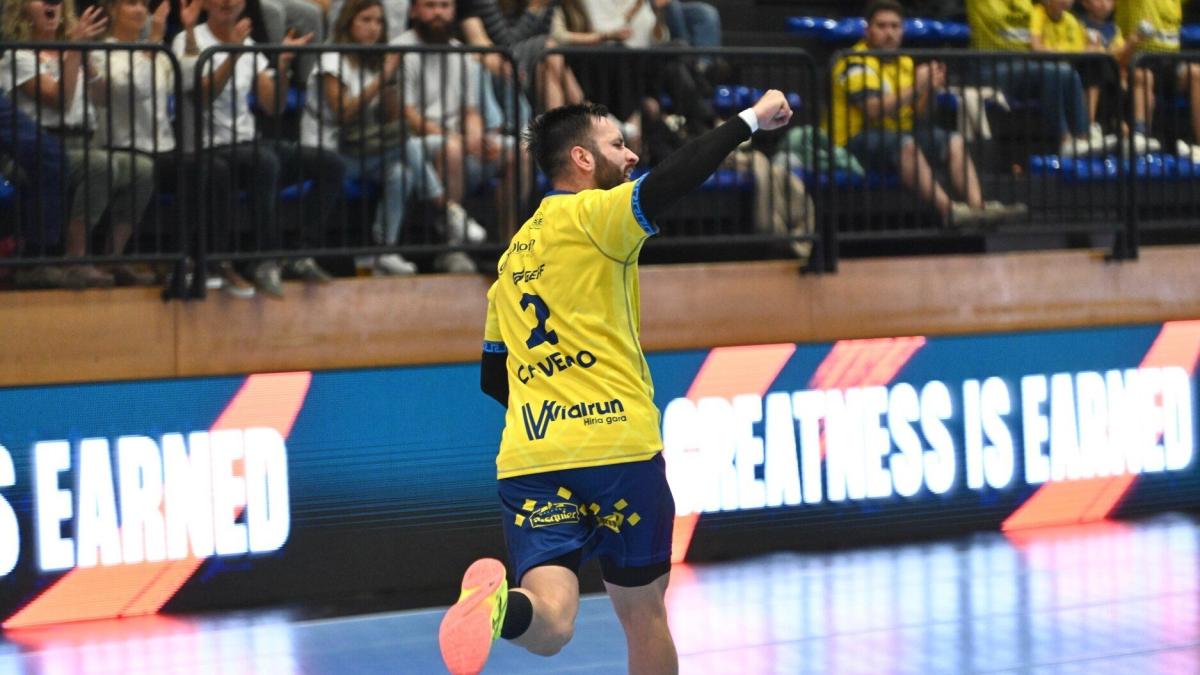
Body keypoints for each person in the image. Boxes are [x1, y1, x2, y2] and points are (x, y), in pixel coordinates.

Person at [436, 91, 794, 675]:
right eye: (618, 145)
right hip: (617, 451)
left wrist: (551, 404)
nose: (630, 158)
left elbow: (494, 377)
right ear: (580, 159)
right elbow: (672, 181)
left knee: (550, 624)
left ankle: (502, 611)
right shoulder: (596, 218)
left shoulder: (511, 260)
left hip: (531, 458)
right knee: (644, 614)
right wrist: (749, 121)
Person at [173, 0, 344, 297]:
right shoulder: (189, 39)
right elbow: (204, 96)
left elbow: (273, 106)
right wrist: (233, 54)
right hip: (208, 148)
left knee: (332, 164)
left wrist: (282, 65)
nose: (228, 2)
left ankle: (300, 253)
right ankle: (263, 259)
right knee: (266, 161)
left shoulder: (248, 42)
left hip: (248, 144)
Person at [304, 0, 482, 275]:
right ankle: (448, 210)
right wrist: (382, 77)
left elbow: (389, 117)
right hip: (328, 153)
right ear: (348, 23)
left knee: (402, 171)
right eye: (365, 20)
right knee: (406, 145)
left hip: (364, 149)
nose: (373, 28)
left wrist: (389, 82)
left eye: (378, 22)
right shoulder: (332, 57)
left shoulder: (375, 61)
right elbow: (343, 112)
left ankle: (383, 250)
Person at [832, 0, 1023, 225]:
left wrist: (929, 89)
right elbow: (873, 110)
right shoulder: (854, 61)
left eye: (895, 26)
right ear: (868, 30)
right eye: (881, 26)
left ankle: (978, 207)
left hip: (895, 135)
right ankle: (950, 210)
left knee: (953, 141)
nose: (889, 33)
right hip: (852, 141)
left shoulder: (904, 62)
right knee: (905, 145)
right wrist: (916, 86)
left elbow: (918, 115)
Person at [394, 0, 514, 240]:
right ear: (414, 10)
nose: (438, 13)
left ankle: (511, 241)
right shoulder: (400, 50)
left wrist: (477, 137)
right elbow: (406, 114)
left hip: (455, 139)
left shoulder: (460, 51)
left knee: (519, 152)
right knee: (453, 150)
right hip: (415, 142)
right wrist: (455, 138)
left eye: (445, 5)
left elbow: (470, 110)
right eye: (430, 5)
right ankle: (453, 244)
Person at [967, 0, 1115, 156]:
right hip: (989, 67)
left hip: (1025, 67)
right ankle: (1064, 141)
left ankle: (1084, 138)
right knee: (1052, 71)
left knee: (1069, 73)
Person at [1115, 0, 1200, 159]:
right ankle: (1139, 136)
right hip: (1139, 57)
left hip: (1170, 61)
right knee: (1144, 76)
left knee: (1196, 74)